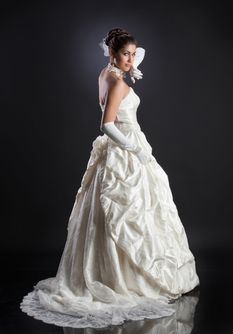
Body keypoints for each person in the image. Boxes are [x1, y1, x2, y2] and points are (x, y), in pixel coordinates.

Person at [20, 27, 200, 329]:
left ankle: (110, 271)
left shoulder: (106, 73)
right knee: (129, 210)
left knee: (115, 211)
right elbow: (106, 124)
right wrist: (134, 148)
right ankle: (127, 278)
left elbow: (132, 57)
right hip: (124, 145)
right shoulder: (116, 82)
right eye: (125, 54)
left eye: (133, 54)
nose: (132, 59)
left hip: (116, 149)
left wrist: (130, 63)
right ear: (112, 54)